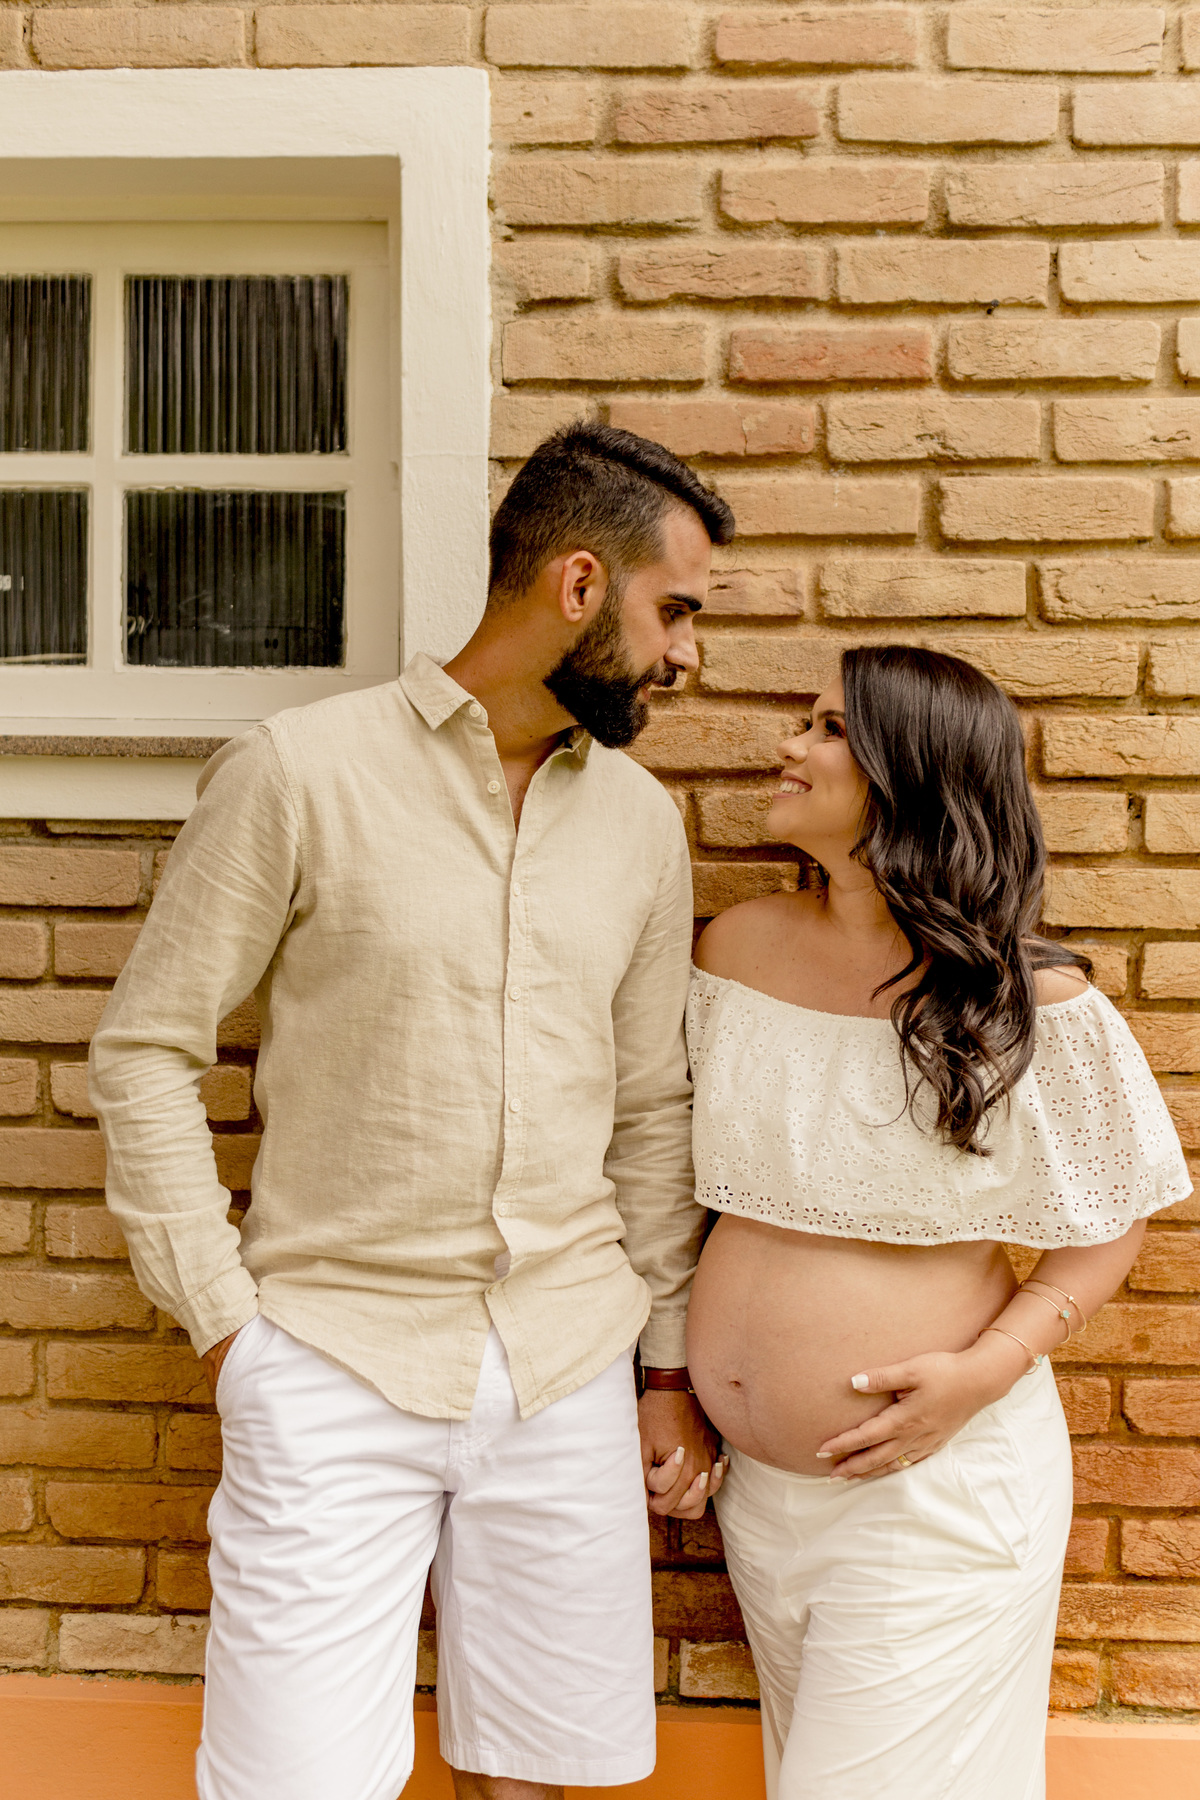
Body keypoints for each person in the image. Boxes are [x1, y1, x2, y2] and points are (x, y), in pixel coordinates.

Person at [89, 422, 735, 1800]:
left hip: (566, 1364)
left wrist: (665, 1371)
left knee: (539, 1778)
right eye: (674, 611)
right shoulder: (298, 772)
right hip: (332, 1359)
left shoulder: (639, 823)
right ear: (578, 585)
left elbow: (650, 1109)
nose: (688, 655)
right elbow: (145, 1050)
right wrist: (228, 1329)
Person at [683, 646, 1190, 1800]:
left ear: (911, 771)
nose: (788, 747)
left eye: (828, 729)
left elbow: (1110, 1223)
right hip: (762, 1501)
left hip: (935, 1494)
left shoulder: (1029, 1000)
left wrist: (984, 1372)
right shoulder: (736, 949)